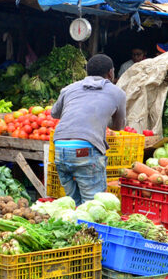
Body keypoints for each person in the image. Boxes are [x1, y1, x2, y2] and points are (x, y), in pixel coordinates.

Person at [52, 54, 126, 205]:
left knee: (72, 204)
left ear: (87, 72)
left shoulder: (69, 88)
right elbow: (119, 126)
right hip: (86, 150)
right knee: (92, 206)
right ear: (111, 72)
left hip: (60, 148)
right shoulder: (117, 93)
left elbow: (55, 113)